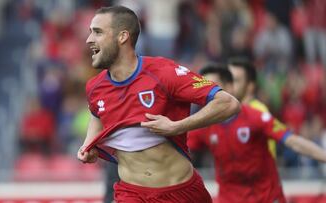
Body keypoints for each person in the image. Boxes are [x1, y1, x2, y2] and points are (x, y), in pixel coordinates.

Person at [76, 6, 240, 203]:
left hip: (180, 193)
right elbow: (96, 115)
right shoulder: (95, 87)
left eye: (98, 32)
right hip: (131, 193)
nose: (89, 40)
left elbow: (228, 103)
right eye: (90, 32)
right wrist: (88, 145)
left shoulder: (164, 72)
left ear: (122, 37)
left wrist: (177, 126)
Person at [188, 64, 326, 203]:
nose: (208, 94)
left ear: (229, 88)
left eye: (213, 88)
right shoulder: (203, 126)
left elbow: (293, 141)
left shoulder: (256, 117)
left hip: (265, 197)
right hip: (230, 198)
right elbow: (181, 150)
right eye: (204, 89)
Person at [227, 57, 277, 158]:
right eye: (228, 79)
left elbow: (269, 153)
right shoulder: (228, 112)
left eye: (235, 80)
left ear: (250, 86)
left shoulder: (259, 111)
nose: (229, 85)